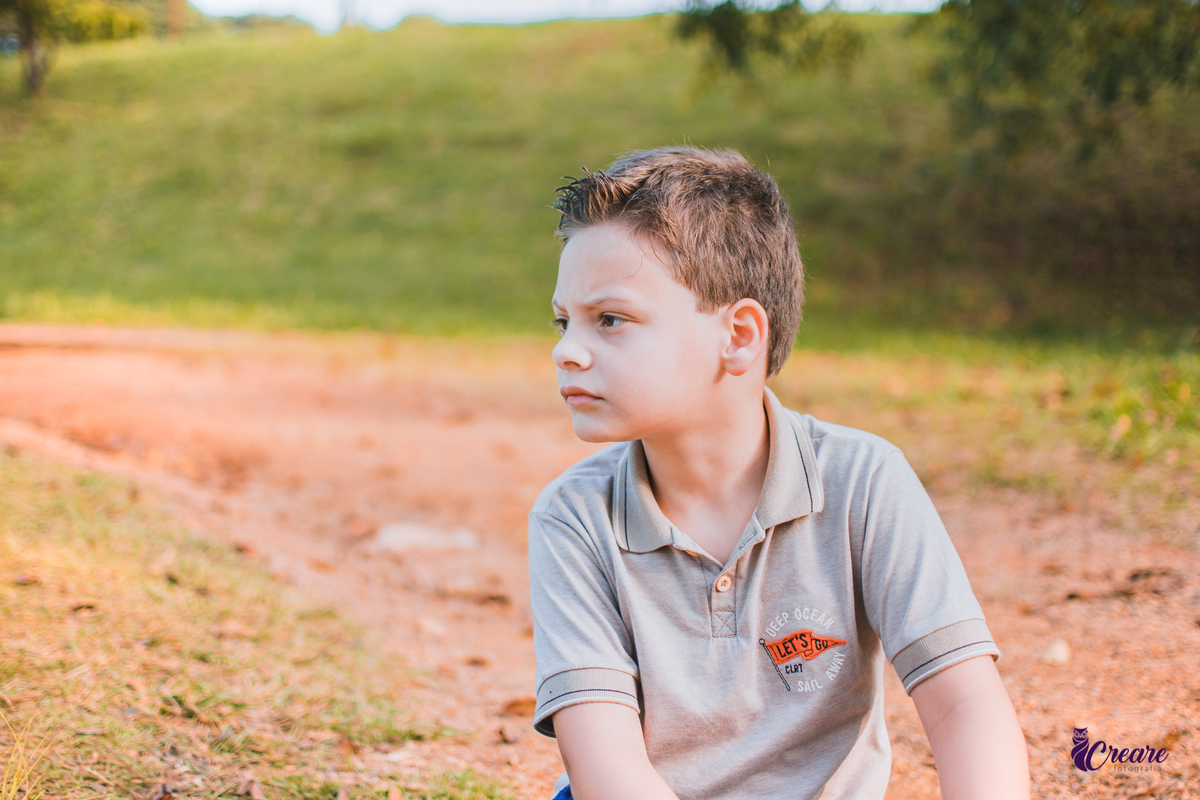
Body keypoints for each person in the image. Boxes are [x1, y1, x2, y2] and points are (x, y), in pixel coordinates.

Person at [528, 147, 1029, 800]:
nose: (567, 352)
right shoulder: (573, 518)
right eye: (564, 322)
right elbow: (606, 768)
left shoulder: (864, 481)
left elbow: (965, 705)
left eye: (611, 320)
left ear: (738, 335)